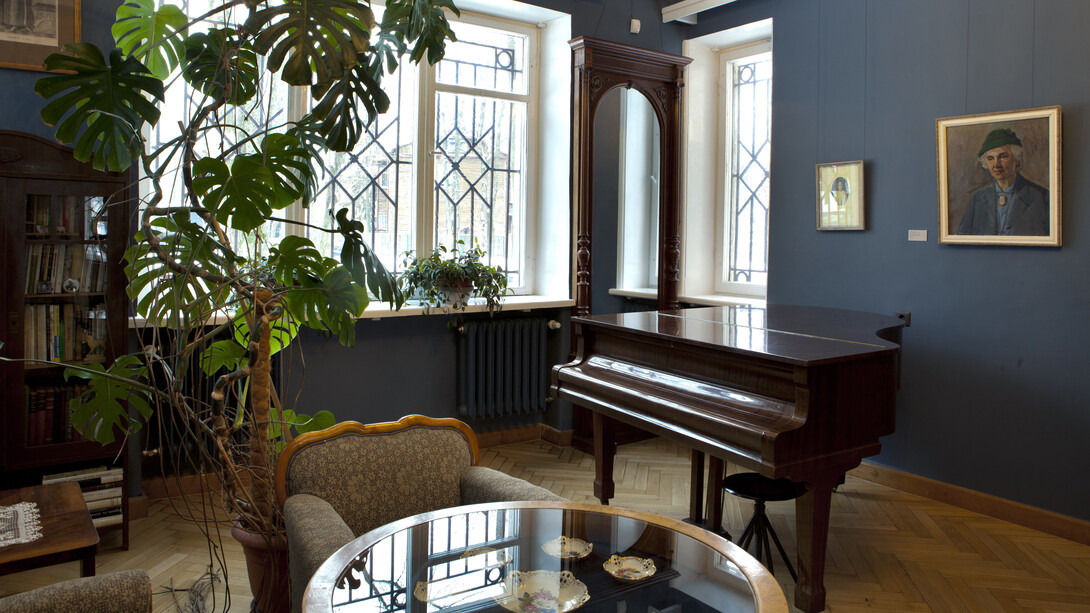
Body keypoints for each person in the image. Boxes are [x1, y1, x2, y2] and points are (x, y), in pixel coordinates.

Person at [955, 127, 1050, 235]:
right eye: (990, 158)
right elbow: (962, 237)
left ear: (1017, 159)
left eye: (1003, 157)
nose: (996, 164)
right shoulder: (978, 199)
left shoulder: (1040, 197)